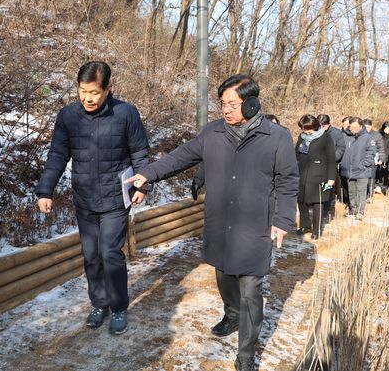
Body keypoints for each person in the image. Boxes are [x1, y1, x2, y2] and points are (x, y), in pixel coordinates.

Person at [127, 74, 299, 371]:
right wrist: (149, 174)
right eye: (223, 104)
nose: (226, 110)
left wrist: (283, 219)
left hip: (255, 225)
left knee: (251, 291)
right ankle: (231, 315)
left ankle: (245, 354)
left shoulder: (277, 137)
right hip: (220, 223)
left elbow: (288, 180)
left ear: (251, 103)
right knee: (224, 276)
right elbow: (181, 157)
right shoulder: (213, 132)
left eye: (232, 104)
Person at [34, 61, 150, 335]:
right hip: (84, 198)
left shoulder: (126, 113)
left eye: (94, 92)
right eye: (83, 91)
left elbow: (140, 152)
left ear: (107, 89)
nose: (88, 98)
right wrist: (45, 190)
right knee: (91, 255)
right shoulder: (68, 116)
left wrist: (142, 185)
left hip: (115, 198)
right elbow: (57, 155)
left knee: (109, 252)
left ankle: (118, 306)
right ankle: (99, 303)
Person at [191, 113, 282, 200]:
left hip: (266, 196)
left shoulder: (279, 147)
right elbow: (212, 160)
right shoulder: (247, 143)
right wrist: (197, 181)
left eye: (275, 125)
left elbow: (284, 176)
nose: (273, 129)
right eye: (270, 125)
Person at [295, 115, 336, 239]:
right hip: (302, 174)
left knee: (318, 203)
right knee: (301, 201)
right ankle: (305, 225)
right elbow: (296, 153)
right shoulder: (302, 137)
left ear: (315, 126)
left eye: (308, 129)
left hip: (319, 175)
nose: (305, 131)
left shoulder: (325, 137)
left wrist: (331, 178)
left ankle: (316, 230)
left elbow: (331, 159)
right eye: (303, 128)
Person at [340, 117, 376, 220]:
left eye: (355, 127)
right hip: (349, 170)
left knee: (361, 191)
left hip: (362, 170)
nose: (353, 129)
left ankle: (360, 212)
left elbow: (371, 152)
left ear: (361, 126)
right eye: (351, 127)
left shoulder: (368, 137)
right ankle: (353, 209)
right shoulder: (345, 136)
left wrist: (364, 164)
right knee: (351, 191)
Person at [317, 114, 346, 221]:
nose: (322, 128)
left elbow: (341, 147)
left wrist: (333, 158)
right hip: (317, 163)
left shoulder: (337, 133)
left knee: (328, 187)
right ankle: (317, 206)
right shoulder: (315, 131)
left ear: (329, 124)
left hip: (330, 164)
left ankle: (325, 209)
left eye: (324, 126)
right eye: (320, 126)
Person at [363, 118, 385, 199]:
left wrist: (381, 159)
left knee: (371, 177)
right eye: (365, 127)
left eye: (368, 127)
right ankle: (363, 194)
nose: (366, 129)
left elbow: (381, 147)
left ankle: (370, 195)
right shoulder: (360, 134)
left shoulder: (376, 135)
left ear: (371, 126)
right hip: (362, 159)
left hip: (373, 159)